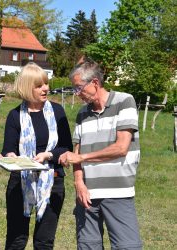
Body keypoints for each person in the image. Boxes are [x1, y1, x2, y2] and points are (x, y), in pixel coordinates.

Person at [59, 61, 142, 249]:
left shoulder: (124, 101)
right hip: (87, 195)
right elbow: (76, 152)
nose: (76, 93)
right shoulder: (82, 113)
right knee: (88, 245)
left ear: (94, 83)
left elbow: (121, 147)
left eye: (79, 88)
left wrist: (82, 158)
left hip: (118, 192)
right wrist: (79, 183)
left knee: (127, 246)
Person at [1, 62, 73, 250]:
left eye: (46, 84)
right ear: (27, 87)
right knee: (16, 239)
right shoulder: (15, 115)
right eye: (39, 85)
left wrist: (48, 155)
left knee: (44, 242)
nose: (46, 88)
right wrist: (9, 156)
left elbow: (66, 147)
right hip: (20, 182)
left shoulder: (57, 112)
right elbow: (8, 149)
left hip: (53, 181)